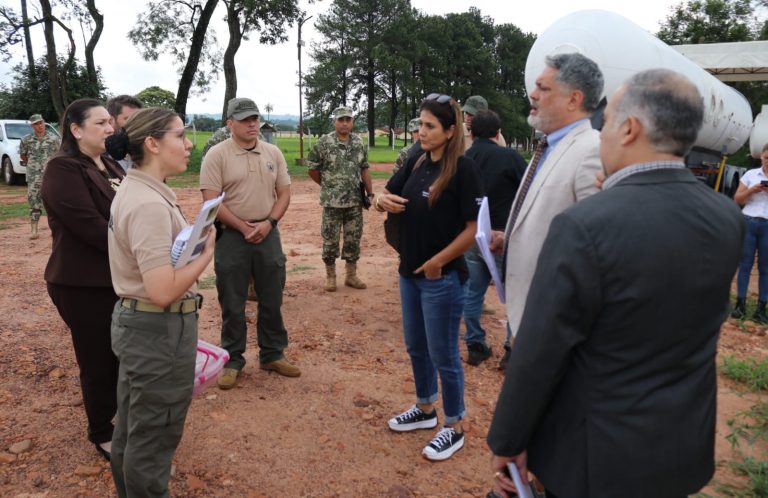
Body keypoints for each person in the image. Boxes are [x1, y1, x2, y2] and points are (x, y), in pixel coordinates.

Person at [487, 69, 744, 498]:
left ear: (629, 129)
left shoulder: (584, 226)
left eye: (604, 124)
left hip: (595, 456)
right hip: (680, 447)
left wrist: (509, 440)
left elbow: (540, 350)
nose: (600, 134)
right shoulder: (725, 217)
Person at [106, 107, 214, 498]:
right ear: (152, 143)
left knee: (134, 430)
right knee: (153, 440)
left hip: (142, 328)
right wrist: (206, 252)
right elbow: (163, 290)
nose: (189, 145)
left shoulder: (137, 189)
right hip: (157, 332)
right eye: (180, 136)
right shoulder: (149, 204)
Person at [375, 93, 481, 461]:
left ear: (451, 131)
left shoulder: (463, 170)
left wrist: (439, 260)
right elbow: (386, 193)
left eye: (429, 126)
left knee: (444, 353)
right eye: (420, 124)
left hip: (443, 279)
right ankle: (424, 409)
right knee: (417, 347)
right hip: (409, 273)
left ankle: (454, 424)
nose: (421, 131)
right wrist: (380, 200)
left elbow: (473, 229)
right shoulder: (417, 160)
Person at [490, 53, 603, 370]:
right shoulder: (549, 146)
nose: (533, 94)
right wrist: (508, 238)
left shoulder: (591, 150)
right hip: (530, 311)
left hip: (555, 318)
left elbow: (597, 250)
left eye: (543, 87)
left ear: (574, 99)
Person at [40, 98, 123, 461]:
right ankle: (102, 431)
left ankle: (120, 415)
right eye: (101, 123)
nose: (110, 129)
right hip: (81, 283)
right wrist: (144, 249)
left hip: (115, 277)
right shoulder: (62, 169)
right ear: (76, 130)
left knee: (120, 353)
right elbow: (91, 228)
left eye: (110, 123)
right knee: (98, 358)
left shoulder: (106, 162)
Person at [200, 97, 298, 389]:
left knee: (272, 296)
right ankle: (232, 358)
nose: (252, 123)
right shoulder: (216, 155)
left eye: (254, 118)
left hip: (268, 232)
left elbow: (284, 194)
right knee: (232, 299)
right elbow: (211, 201)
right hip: (232, 236)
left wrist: (269, 223)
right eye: (244, 119)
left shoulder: (272, 153)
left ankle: (272, 354)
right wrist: (243, 227)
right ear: (229, 123)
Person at [462, 110, 525, 366]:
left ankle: (475, 344)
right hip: (503, 235)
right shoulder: (510, 156)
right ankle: (511, 350)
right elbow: (527, 189)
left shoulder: (465, 158)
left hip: (473, 235)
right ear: (498, 133)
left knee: (473, 292)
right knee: (514, 294)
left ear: (472, 133)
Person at [307, 106, 373, 291]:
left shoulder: (359, 143)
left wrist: (370, 193)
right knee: (330, 240)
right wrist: (328, 185)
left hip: (354, 202)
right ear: (334, 121)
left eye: (348, 120)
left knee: (353, 239)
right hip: (332, 203)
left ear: (352, 122)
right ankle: (331, 276)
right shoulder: (324, 142)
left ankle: (351, 276)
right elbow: (312, 168)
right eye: (341, 120)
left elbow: (364, 168)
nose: (345, 123)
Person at [731, 142, 768, 323]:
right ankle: (740, 305)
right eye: (767, 157)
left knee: (765, 268)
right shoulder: (751, 175)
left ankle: (761, 309)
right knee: (744, 264)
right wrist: (752, 190)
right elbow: (737, 199)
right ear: (761, 156)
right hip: (749, 222)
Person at [19, 113, 60, 239]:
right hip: (34, 176)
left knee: (53, 202)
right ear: (32, 126)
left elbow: (58, 155)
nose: (39, 126)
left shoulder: (54, 139)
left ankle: (55, 230)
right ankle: (34, 230)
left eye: (41, 122)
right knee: (34, 201)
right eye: (36, 124)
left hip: (50, 175)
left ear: (44, 122)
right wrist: (33, 165)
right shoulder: (26, 140)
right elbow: (23, 155)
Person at [106, 95, 144, 172]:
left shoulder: (144, 152)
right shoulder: (98, 154)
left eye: (138, 119)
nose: (136, 124)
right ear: (111, 120)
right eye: (129, 119)